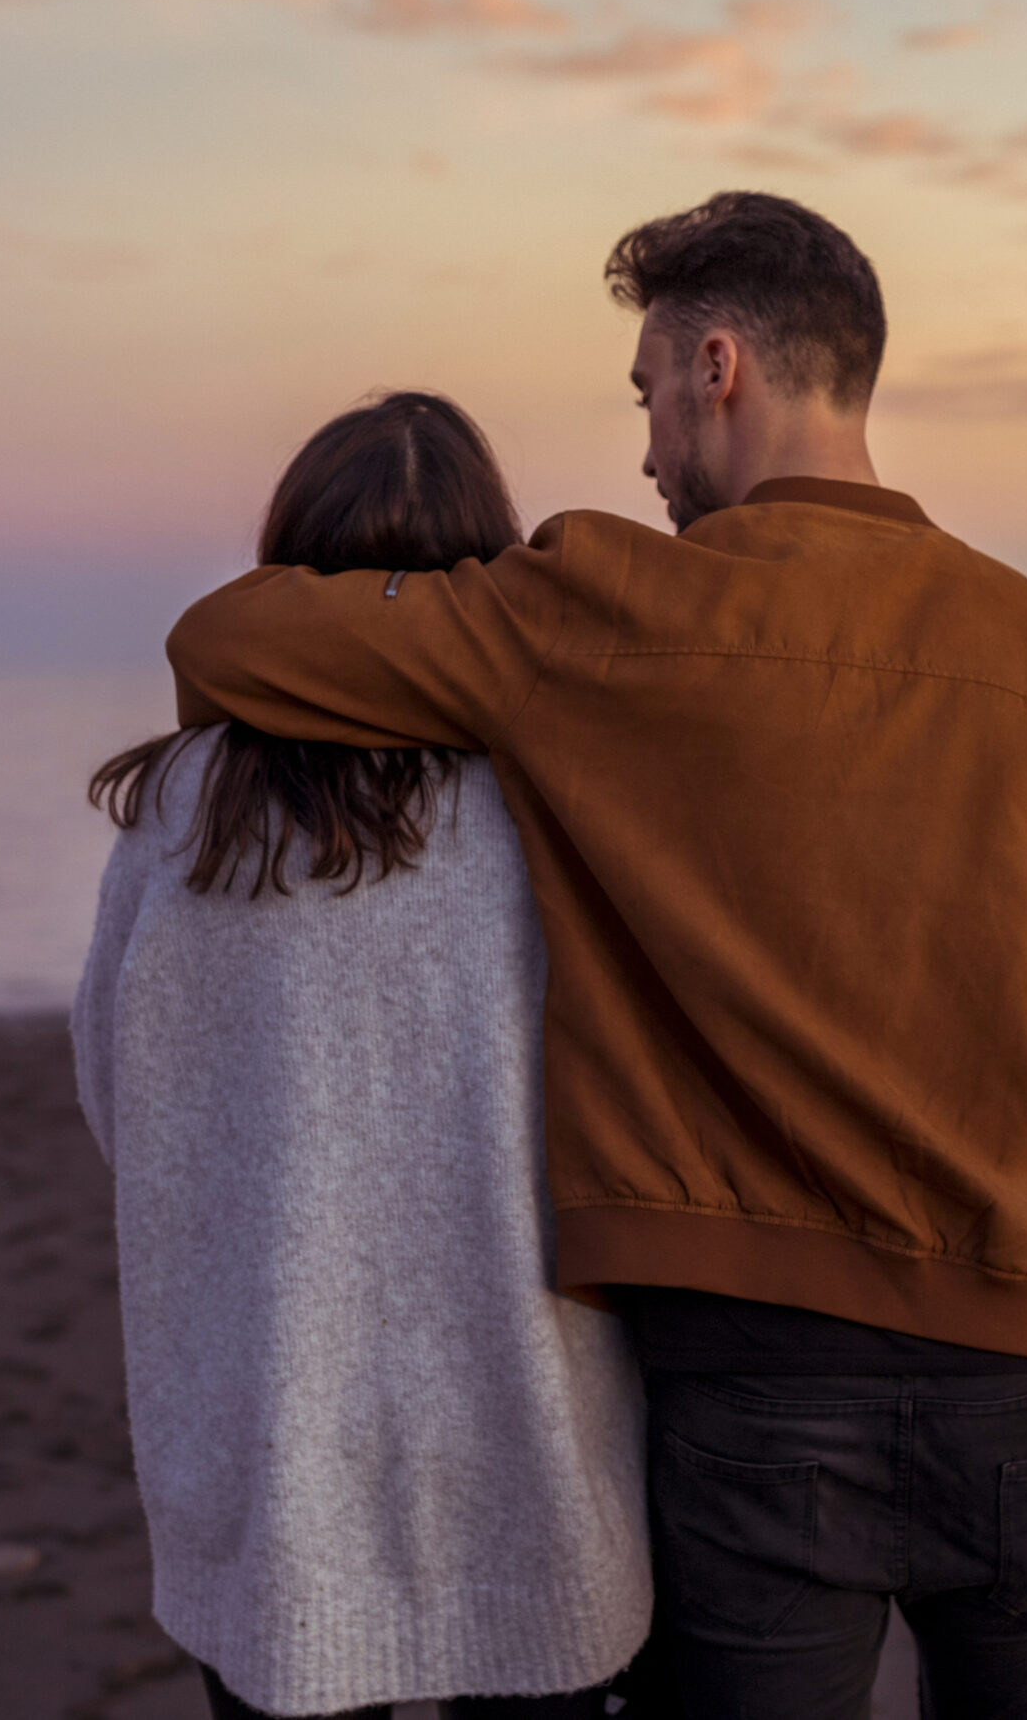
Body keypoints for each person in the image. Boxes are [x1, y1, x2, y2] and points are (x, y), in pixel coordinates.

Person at [155, 194, 1027, 1719]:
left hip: (752, 1394)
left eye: (648, 395)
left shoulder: (596, 614)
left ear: (717, 365)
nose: (650, 449)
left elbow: (227, 640)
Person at [71, 392, 653, 1720]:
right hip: (528, 1427)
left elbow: (120, 1096)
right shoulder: (554, 801)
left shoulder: (181, 807)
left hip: (274, 1423)